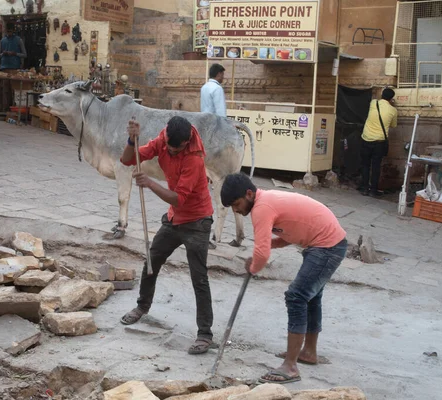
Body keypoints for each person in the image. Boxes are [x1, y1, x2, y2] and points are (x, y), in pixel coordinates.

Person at [220, 173, 347, 384]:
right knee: (311, 297)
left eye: (236, 204)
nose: (236, 210)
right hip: (326, 243)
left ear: (249, 194)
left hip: (327, 246)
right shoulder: (266, 202)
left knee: (297, 296)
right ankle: (309, 352)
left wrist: (253, 266)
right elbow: (292, 232)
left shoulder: (262, 208)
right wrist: (266, 249)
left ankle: (290, 366)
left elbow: (261, 255)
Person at [119, 116, 216, 355]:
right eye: (169, 147)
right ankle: (142, 306)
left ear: (186, 142)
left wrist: (150, 183)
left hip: (197, 221)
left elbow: (179, 198)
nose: (171, 152)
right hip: (174, 219)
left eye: (177, 148)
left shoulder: (194, 159)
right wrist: (131, 140)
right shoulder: (163, 139)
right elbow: (128, 159)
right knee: (152, 259)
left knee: (199, 277)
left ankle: (204, 334)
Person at [360, 88, 398, 197]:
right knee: (376, 166)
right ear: (391, 99)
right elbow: (393, 125)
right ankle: (373, 190)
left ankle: (364, 188)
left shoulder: (373, 103)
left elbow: (375, 96)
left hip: (366, 138)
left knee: (365, 164)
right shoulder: (393, 111)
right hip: (379, 142)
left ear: (382, 95)